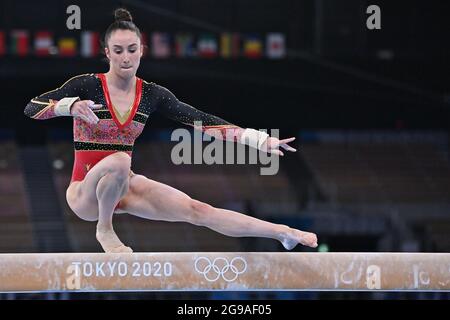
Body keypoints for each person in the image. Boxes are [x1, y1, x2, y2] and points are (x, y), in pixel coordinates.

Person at [24, 8, 318, 253]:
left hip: (124, 187)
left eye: (131, 49)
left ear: (142, 50)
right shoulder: (87, 85)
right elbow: (32, 107)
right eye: (118, 51)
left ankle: (282, 233)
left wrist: (257, 139)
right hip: (84, 194)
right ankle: (105, 230)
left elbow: (200, 119)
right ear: (107, 53)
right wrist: (68, 107)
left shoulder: (152, 95)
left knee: (197, 210)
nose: (126, 57)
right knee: (119, 160)